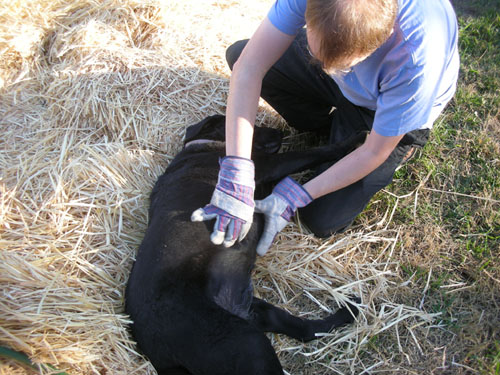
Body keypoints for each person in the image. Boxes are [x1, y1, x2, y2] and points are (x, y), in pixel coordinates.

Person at [191, 0, 459, 256]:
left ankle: (378, 138)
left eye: (341, 65)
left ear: (385, 36)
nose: (328, 69)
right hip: (343, 59)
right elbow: (249, 67)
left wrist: (297, 196)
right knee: (239, 53)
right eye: (318, 57)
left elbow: (374, 151)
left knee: (320, 219)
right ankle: (331, 126)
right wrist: (236, 169)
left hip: (382, 107)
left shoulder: (415, 59)